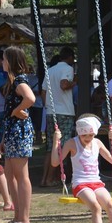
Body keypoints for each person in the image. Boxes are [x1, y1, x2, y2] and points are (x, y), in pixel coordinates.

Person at [0, 46, 36, 223]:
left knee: (21, 175)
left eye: (5, 59)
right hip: (13, 131)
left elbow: (30, 98)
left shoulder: (19, 81)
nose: (2, 62)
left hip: (20, 132)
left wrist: (17, 110)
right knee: (9, 174)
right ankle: (18, 215)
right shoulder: (13, 82)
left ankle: (25, 218)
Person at [41, 46, 77, 187]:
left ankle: (44, 178)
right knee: (62, 147)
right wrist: (75, 82)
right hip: (65, 112)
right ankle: (52, 178)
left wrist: (48, 105)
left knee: (50, 147)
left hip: (51, 112)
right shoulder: (68, 69)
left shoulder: (49, 71)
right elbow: (64, 85)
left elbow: (43, 92)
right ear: (69, 58)